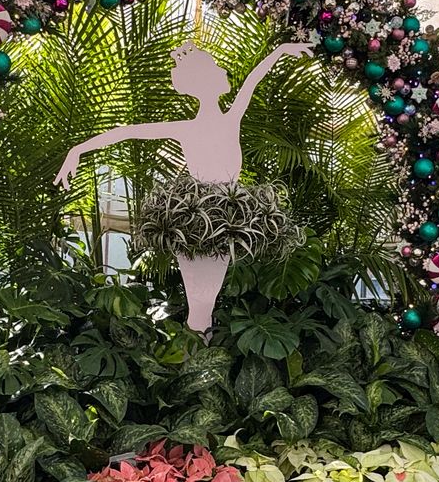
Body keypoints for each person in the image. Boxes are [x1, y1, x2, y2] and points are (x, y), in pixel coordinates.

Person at [55, 41, 311, 330]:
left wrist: (278, 52)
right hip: (197, 220)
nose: (223, 70)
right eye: (216, 68)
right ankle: (197, 353)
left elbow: (254, 78)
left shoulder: (226, 119)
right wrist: (78, 149)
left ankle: (198, 349)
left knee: (205, 301)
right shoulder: (197, 126)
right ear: (205, 82)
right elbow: (127, 132)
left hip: (224, 217)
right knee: (201, 300)